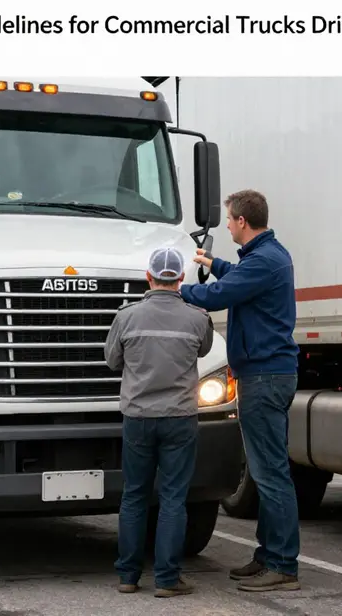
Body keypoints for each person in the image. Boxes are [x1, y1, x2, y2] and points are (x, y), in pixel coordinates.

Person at [179, 189, 301, 593]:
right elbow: (235, 278)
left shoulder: (263, 261)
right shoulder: (265, 256)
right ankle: (268, 556)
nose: (227, 224)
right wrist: (213, 263)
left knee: (270, 474)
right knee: (269, 470)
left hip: (264, 378)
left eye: (229, 220)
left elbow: (220, 295)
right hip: (269, 374)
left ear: (242, 223)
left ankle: (282, 564)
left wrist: (174, 291)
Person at [105, 246, 214, 598]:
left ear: (148, 277)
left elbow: (111, 361)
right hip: (180, 418)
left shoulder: (127, 316)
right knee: (173, 499)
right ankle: (167, 579)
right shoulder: (198, 317)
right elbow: (204, 350)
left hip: (138, 416)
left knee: (134, 496)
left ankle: (128, 576)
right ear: (181, 279)